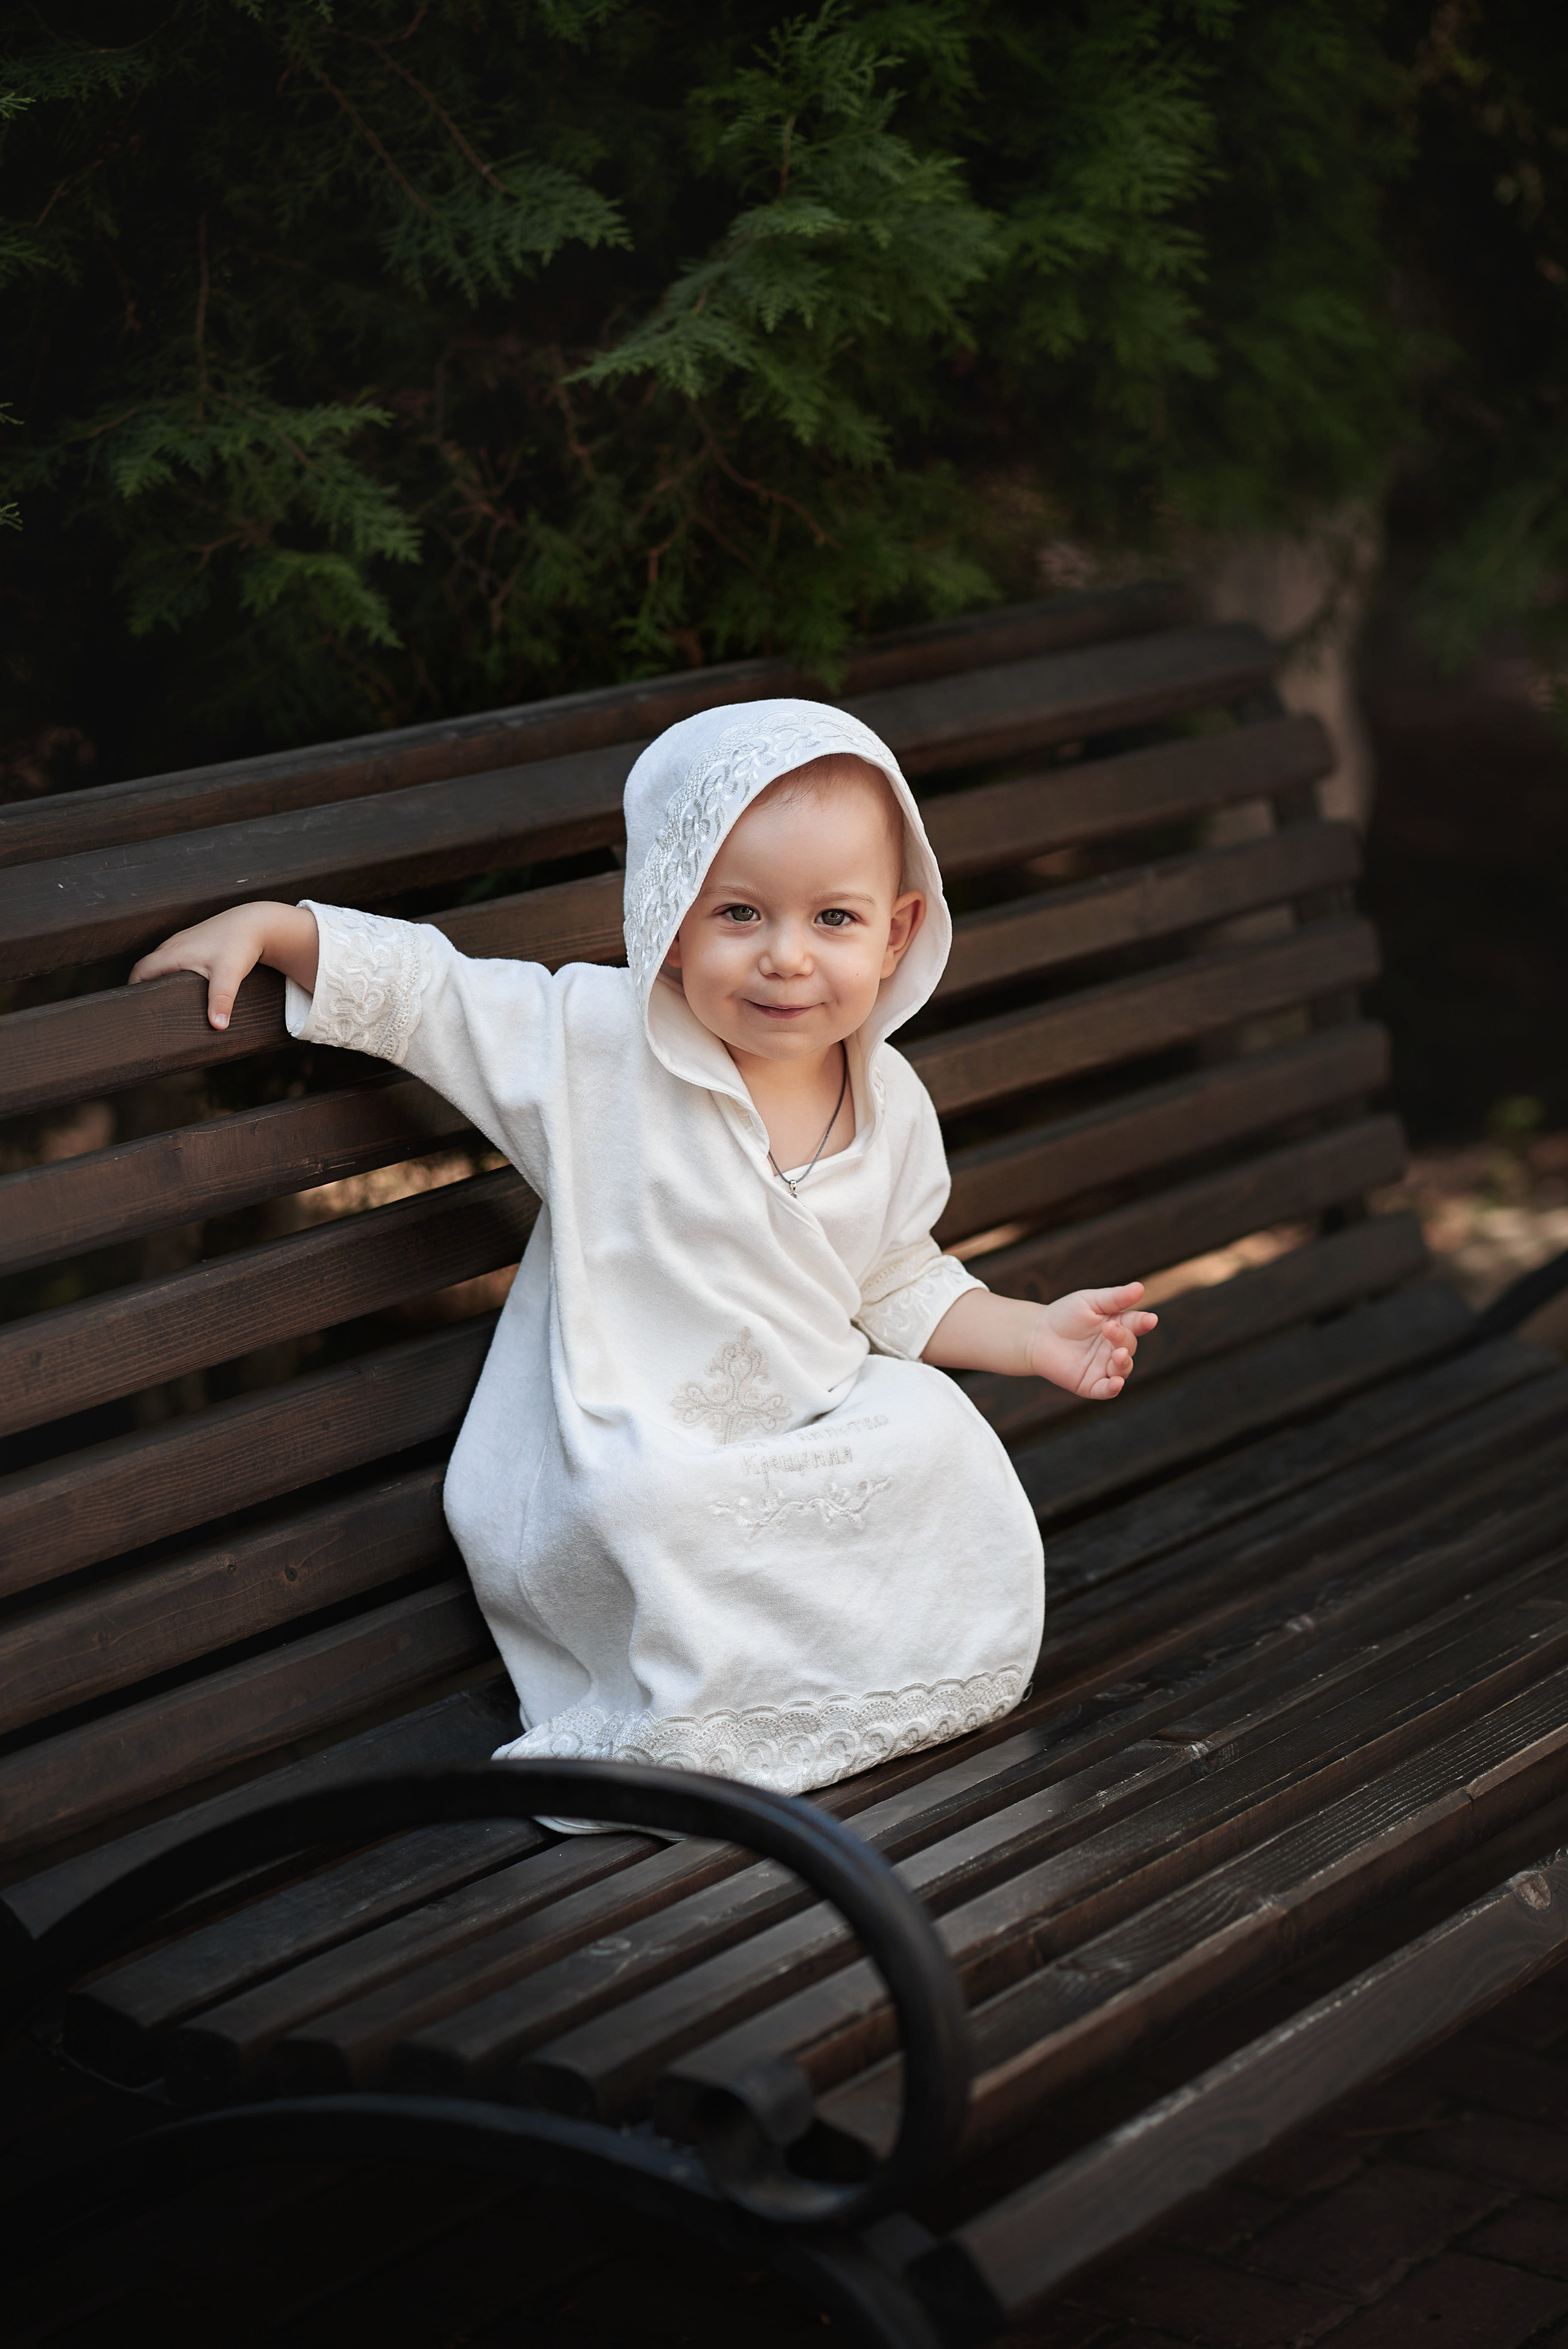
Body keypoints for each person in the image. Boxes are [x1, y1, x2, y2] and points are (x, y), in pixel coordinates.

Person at [132, 699, 1155, 1817]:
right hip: (635, 1428)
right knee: (665, 1507)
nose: (786, 956)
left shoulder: (890, 1100)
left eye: (835, 917)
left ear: (898, 931)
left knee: (938, 1435)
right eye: (741, 912)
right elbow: (441, 1000)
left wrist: (1029, 1333)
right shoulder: (599, 1048)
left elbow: (899, 1279)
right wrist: (281, 932)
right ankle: (703, 1721)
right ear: (671, 915)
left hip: (806, 1415)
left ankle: (861, 1689)